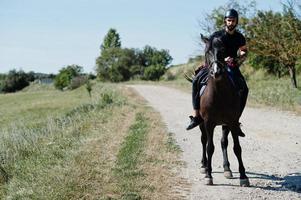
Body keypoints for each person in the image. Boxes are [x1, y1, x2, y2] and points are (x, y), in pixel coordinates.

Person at [186, 8, 249, 131]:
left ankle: (236, 120)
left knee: (244, 89)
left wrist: (240, 55)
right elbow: (209, 51)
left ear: (236, 22)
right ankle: (197, 116)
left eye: (233, 21)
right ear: (225, 21)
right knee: (195, 81)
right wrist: (204, 64)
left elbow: (244, 51)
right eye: (229, 20)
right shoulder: (216, 35)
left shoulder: (240, 37)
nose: (231, 23)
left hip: (231, 66)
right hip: (214, 64)